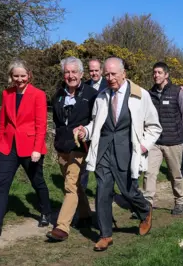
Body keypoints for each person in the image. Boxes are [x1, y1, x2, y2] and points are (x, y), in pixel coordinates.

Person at [75, 57, 162, 251]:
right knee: (102, 191)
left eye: (113, 74)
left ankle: (145, 210)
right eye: (107, 74)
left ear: (124, 73)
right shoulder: (102, 96)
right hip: (103, 151)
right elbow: (95, 123)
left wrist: (143, 146)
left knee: (128, 191)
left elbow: (155, 127)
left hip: (128, 152)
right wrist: (85, 132)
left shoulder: (141, 95)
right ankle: (105, 235)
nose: (110, 78)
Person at [0, 59, 51, 237]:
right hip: (7, 146)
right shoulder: (6, 94)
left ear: (29, 75)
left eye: (23, 76)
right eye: (16, 76)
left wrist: (37, 148)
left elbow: (41, 125)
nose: (19, 79)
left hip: (30, 147)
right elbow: (3, 121)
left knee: (37, 181)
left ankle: (46, 212)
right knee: (1, 185)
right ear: (11, 76)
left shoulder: (38, 94)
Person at [46, 57, 98, 242]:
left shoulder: (92, 95)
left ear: (81, 74)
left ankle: (62, 227)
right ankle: (85, 215)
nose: (70, 76)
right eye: (67, 72)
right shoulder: (58, 95)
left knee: (70, 185)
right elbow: (58, 122)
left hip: (80, 147)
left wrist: (86, 132)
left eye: (74, 72)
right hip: (62, 148)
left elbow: (97, 121)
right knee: (75, 186)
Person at [143, 62, 183, 215]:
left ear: (166, 75)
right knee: (149, 173)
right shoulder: (149, 94)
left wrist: (181, 135)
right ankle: (147, 205)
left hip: (174, 141)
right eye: (154, 72)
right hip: (155, 142)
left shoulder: (177, 92)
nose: (156, 75)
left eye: (159, 72)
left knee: (175, 174)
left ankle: (179, 202)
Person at [80, 59, 109, 190]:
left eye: (96, 70)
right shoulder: (84, 86)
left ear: (101, 70)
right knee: (84, 164)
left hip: (103, 129)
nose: (94, 73)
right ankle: (82, 193)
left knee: (102, 164)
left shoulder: (108, 84)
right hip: (88, 129)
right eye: (91, 70)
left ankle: (103, 191)